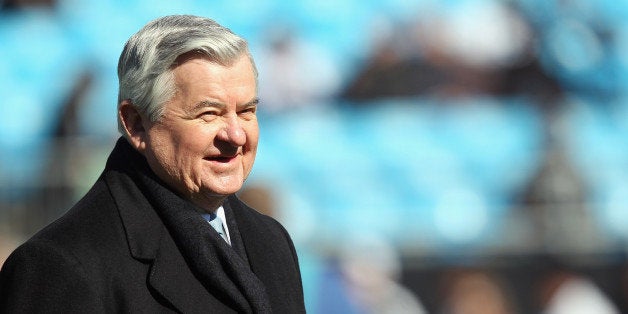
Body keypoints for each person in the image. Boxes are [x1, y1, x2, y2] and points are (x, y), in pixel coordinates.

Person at [0, 15, 305, 313]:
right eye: (208, 113)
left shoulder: (272, 241)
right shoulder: (61, 265)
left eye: (246, 111)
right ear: (135, 124)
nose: (236, 135)